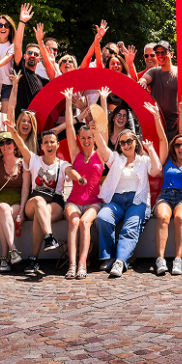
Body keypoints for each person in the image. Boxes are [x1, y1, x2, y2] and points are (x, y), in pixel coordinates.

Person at [94, 88, 162, 277]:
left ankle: (120, 261)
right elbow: (102, 147)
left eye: (129, 141)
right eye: (122, 142)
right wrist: (95, 131)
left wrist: (151, 150)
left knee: (130, 228)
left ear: (135, 142)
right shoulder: (115, 158)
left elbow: (156, 170)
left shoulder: (143, 160)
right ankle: (107, 257)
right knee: (103, 218)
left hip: (136, 201)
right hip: (116, 201)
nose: (126, 145)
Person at [149, 98, 182, 276]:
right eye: (177, 144)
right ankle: (160, 259)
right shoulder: (168, 161)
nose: (180, 147)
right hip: (165, 196)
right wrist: (156, 117)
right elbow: (163, 138)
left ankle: (178, 260)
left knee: (179, 218)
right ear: (174, 148)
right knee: (163, 217)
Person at [14, 126, 70, 276]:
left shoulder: (62, 164)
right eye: (46, 142)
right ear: (42, 146)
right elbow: (21, 145)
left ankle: (33, 259)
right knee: (39, 202)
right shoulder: (34, 160)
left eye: (52, 142)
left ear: (57, 144)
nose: (49, 145)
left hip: (54, 202)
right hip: (34, 201)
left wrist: (79, 178)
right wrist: (13, 131)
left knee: (41, 214)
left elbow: (71, 172)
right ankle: (49, 238)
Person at [62, 90, 104, 280]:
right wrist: (68, 101)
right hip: (74, 200)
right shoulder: (75, 154)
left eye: (90, 138)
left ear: (95, 138)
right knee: (74, 222)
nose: (86, 141)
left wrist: (103, 99)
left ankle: (82, 264)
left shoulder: (101, 154)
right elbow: (70, 127)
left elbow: (105, 127)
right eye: (83, 138)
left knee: (85, 222)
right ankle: (71, 265)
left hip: (94, 201)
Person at [0, 128, 26, 272]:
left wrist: (22, 209)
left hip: (17, 200)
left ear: (15, 145)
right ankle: (13, 248)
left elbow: (25, 188)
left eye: (8, 142)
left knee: (7, 214)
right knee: (4, 209)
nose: (5, 145)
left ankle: (4, 257)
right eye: (1, 143)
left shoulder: (22, 163)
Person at [10, 5, 54, 117]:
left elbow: (52, 74)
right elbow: (17, 46)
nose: (32, 56)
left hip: (36, 124)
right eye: (29, 53)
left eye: (36, 54)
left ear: (39, 59)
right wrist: (22, 22)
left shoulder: (42, 81)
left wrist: (40, 42)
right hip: (20, 120)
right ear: (24, 56)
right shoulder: (21, 72)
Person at [140, 40, 179, 133]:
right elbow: (144, 79)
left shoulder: (179, 73)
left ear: (171, 54)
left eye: (163, 52)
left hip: (176, 125)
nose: (160, 55)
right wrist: (143, 81)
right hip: (158, 123)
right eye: (157, 53)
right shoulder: (154, 71)